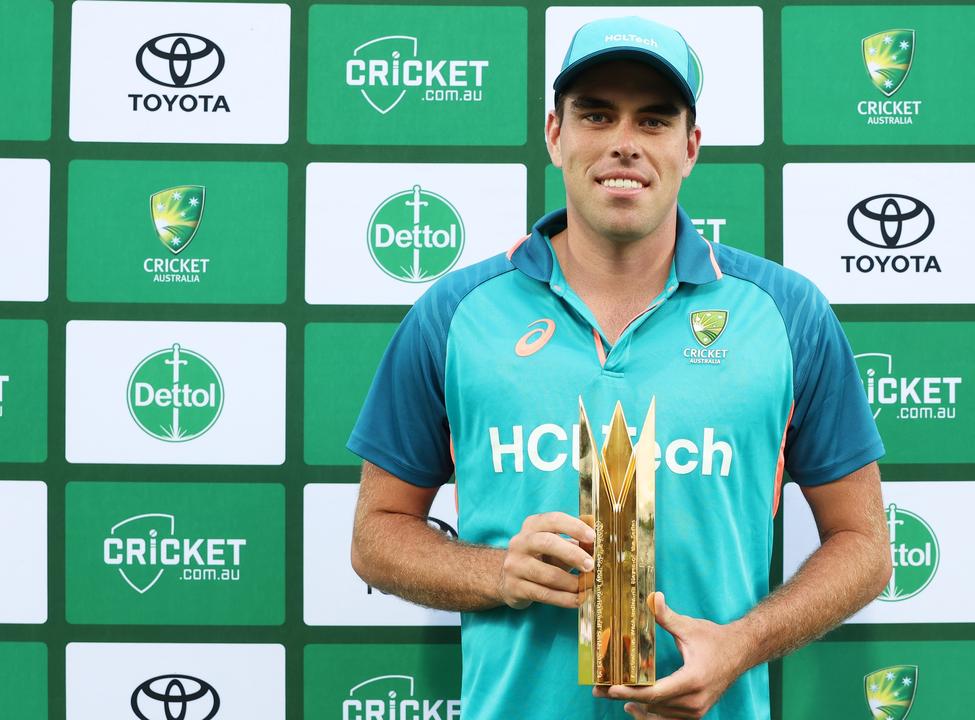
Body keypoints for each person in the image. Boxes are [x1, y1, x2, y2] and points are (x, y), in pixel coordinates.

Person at [348, 16, 890, 720]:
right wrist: (498, 572)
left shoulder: (787, 315)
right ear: (555, 133)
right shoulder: (455, 313)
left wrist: (743, 643)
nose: (624, 144)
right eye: (597, 115)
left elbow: (865, 545)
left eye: (654, 120)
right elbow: (376, 533)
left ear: (690, 147)